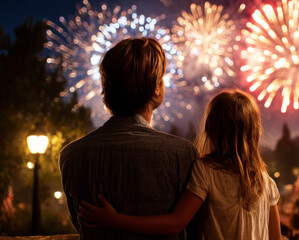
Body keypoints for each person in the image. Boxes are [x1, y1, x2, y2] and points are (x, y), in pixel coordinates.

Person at [79, 89, 282, 240]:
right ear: (255, 132)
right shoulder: (265, 181)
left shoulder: (206, 171)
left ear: (211, 130)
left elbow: (175, 223)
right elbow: (276, 238)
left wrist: (115, 220)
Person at [59, 37, 197, 240]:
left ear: (106, 88)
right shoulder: (183, 154)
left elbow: (81, 225)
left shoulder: (71, 156)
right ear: (156, 87)